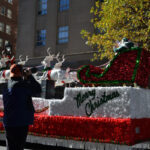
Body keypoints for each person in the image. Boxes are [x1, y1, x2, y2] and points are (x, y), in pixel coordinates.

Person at [2, 64, 42, 150]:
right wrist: (30, 76)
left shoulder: (5, 86)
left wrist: (24, 78)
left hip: (9, 121)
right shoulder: (23, 85)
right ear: (21, 73)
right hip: (21, 122)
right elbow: (38, 90)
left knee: (11, 147)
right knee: (19, 147)